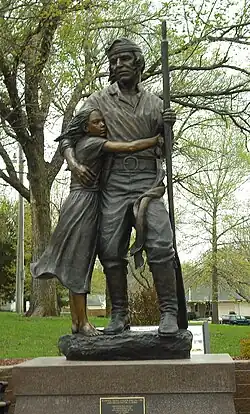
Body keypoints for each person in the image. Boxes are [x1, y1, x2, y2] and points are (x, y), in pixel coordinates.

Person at [60, 37, 188, 337]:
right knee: (110, 249)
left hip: (148, 183)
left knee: (160, 243)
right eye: (114, 61)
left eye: (124, 60)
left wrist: (169, 128)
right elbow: (68, 137)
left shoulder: (157, 104)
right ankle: (119, 314)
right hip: (114, 183)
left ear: (139, 64)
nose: (118, 66)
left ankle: (168, 312)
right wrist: (75, 165)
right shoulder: (98, 100)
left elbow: (168, 150)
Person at [31, 107, 161, 336]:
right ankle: (82, 323)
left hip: (78, 202)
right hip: (85, 205)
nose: (102, 125)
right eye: (97, 122)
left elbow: (67, 144)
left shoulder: (79, 143)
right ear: (86, 127)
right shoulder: (92, 144)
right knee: (80, 263)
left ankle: (77, 321)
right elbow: (128, 147)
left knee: (76, 264)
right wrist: (155, 140)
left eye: (103, 121)